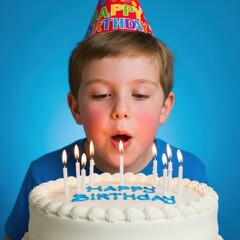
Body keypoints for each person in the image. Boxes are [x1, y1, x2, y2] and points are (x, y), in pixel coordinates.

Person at [4, 1, 207, 239]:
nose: (120, 111)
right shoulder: (44, 176)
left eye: (140, 95)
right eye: (101, 95)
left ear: (164, 107)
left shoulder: (190, 175)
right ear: (76, 108)